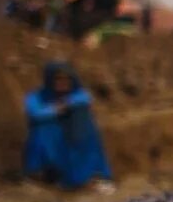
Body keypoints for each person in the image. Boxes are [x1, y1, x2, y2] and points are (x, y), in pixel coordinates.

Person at [23, 61, 113, 191]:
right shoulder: (37, 97)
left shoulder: (77, 94)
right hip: (53, 139)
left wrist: (66, 104)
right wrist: (54, 110)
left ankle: (87, 175)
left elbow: (85, 98)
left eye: (67, 78)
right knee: (42, 128)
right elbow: (35, 113)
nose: (62, 82)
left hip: (73, 137)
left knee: (82, 120)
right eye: (58, 78)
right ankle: (41, 173)